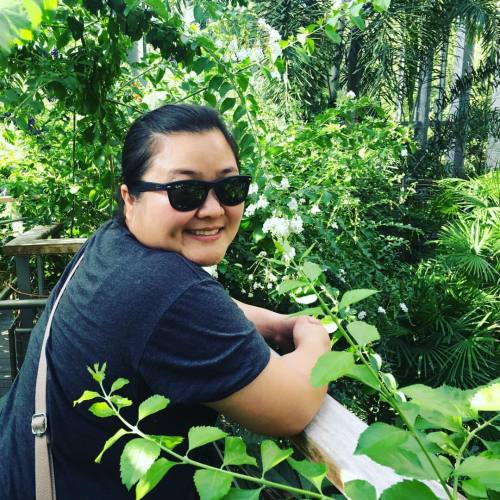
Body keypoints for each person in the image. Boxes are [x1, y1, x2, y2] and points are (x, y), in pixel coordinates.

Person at [0, 104, 330, 499]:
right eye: (184, 192)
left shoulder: (113, 247)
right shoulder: (166, 290)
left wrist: (276, 323)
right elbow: (292, 406)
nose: (212, 209)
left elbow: (191, 311)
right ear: (131, 197)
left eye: (229, 188)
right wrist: (314, 337)